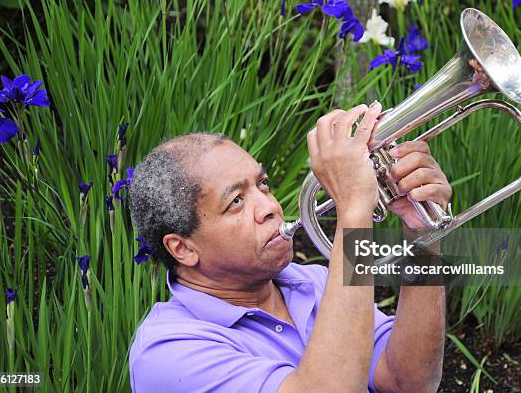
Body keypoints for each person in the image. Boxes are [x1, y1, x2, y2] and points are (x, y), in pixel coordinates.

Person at [128, 102, 452, 393]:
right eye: (236, 201)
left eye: (262, 184)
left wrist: (421, 233)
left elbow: (407, 381)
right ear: (182, 249)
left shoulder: (313, 282)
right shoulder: (167, 351)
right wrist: (354, 207)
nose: (269, 206)